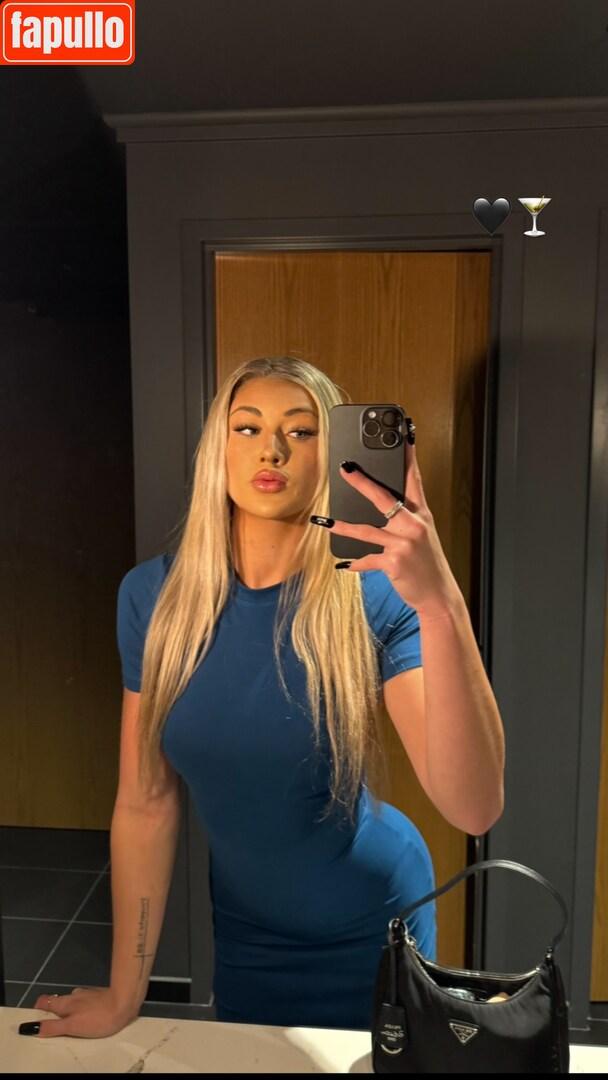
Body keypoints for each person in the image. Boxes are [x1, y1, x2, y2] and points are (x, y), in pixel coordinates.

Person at [26, 356, 505, 1039]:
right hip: (248, 930)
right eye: (247, 427)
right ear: (217, 450)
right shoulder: (152, 599)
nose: (271, 449)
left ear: (335, 458)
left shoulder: (375, 596)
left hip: (371, 921)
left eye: (301, 431)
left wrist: (441, 603)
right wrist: (125, 994)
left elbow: (474, 806)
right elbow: (145, 801)